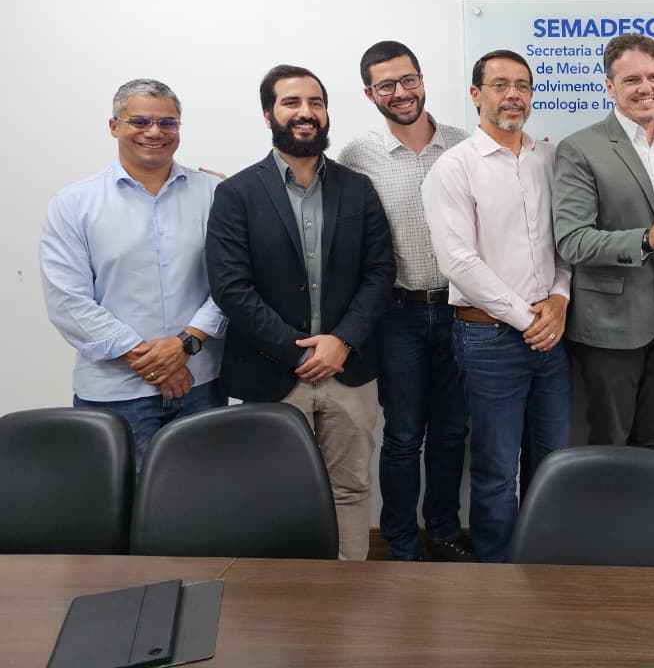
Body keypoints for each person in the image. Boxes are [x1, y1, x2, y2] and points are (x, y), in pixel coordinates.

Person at [205, 64, 395, 560]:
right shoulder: (236, 194)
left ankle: (347, 591)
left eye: (315, 102)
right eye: (291, 103)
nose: (305, 112)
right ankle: (286, 599)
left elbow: (380, 273)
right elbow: (231, 288)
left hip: (348, 371)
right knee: (274, 492)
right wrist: (298, 352)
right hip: (271, 372)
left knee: (351, 489)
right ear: (268, 114)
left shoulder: (358, 188)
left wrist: (342, 341)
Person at [423, 49, 571, 563]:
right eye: (500, 85)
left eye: (523, 86)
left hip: (551, 333)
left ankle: (543, 567)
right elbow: (458, 262)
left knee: (552, 462)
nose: (513, 95)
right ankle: (497, 577)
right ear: (476, 94)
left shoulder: (549, 159)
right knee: (495, 470)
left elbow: (564, 240)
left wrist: (560, 297)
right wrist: (528, 317)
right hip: (489, 338)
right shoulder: (454, 168)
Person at [40, 79, 226, 469]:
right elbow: (68, 302)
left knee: (206, 500)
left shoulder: (214, 194)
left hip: (201, 386)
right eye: (139, 121)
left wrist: (184, 346)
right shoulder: (73, 204)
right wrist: (156, 363)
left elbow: (232, 284)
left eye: (167, 123)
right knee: (118, 502)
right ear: (114, 126)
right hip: (113, 395)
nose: (154, 132)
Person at [338, 41, 471, 563]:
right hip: (397, 315)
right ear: (369, 94)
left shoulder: (463, 144)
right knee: (403, 435)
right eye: (386, 85)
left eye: (408, 80)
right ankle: (400, 544)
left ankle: (443, 532)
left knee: (452, 431)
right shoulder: (357, 155)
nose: (401, 92)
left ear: (422, 79)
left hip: (461, 310)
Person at [552, 35, 654, 449]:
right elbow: (572, 241)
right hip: (610, 325)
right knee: (610, 443)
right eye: (631, 79)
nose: (645, 87)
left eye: (653, 76)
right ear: (609, 86)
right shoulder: (580, 149)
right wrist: (645, 240)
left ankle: (649, 498)